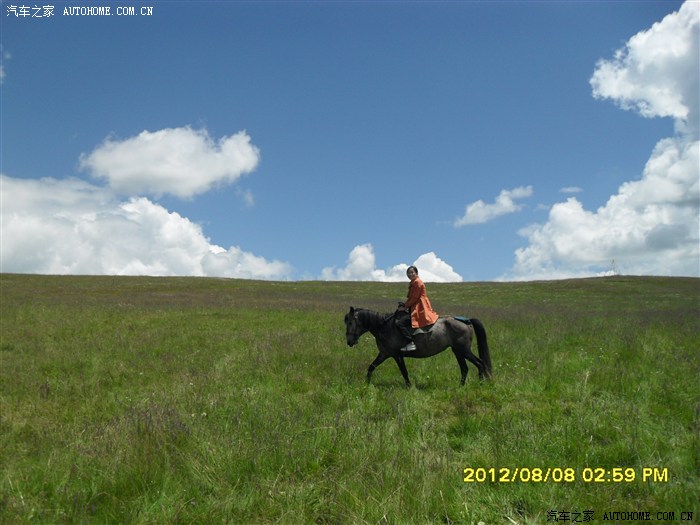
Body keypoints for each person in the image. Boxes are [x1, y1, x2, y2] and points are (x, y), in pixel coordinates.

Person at [396, 265, 439, 352]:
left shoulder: (417, 282)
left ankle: (410, 342)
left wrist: (405, 307)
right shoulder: (413, 282)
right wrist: (404, 304)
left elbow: (415, 298)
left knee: (400, 323)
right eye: (408, 273)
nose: (410, 274)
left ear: (416, 273)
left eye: (412, 272)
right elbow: (411, 298)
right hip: (416, 304)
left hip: (419, 307)